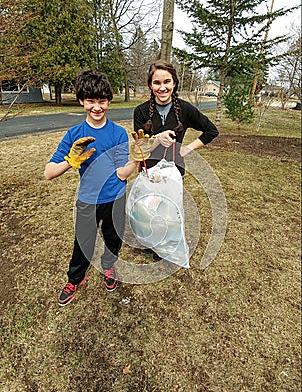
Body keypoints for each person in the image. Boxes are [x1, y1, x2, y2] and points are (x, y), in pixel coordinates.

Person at [44, 69, 140, 306]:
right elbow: (48, 173)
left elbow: (120, 173)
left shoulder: (118, 133)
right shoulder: (74, 134)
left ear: (109, 101)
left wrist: (136, 160)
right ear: (81, 101)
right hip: (88, 199)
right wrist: (70, 161)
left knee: (113, 238)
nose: (97, 107)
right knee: (83, 242)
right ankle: (75, 279)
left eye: (102, 101)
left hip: (115, 197)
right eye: (90, 101)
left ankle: (108, 266)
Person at [133, 59, 219, 259]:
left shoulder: (186, 109)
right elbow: (139, 147)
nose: (162, 88)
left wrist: (187, 148)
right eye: (157, 83)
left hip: (173, 171)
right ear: (150, 85)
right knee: (147, 209)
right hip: (149, 170)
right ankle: (148, 241)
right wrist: (156, 139)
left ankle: (163, 246)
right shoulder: (141, 111)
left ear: (174, 83)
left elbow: (211, 131)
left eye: (167, 82)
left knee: (168, 212)